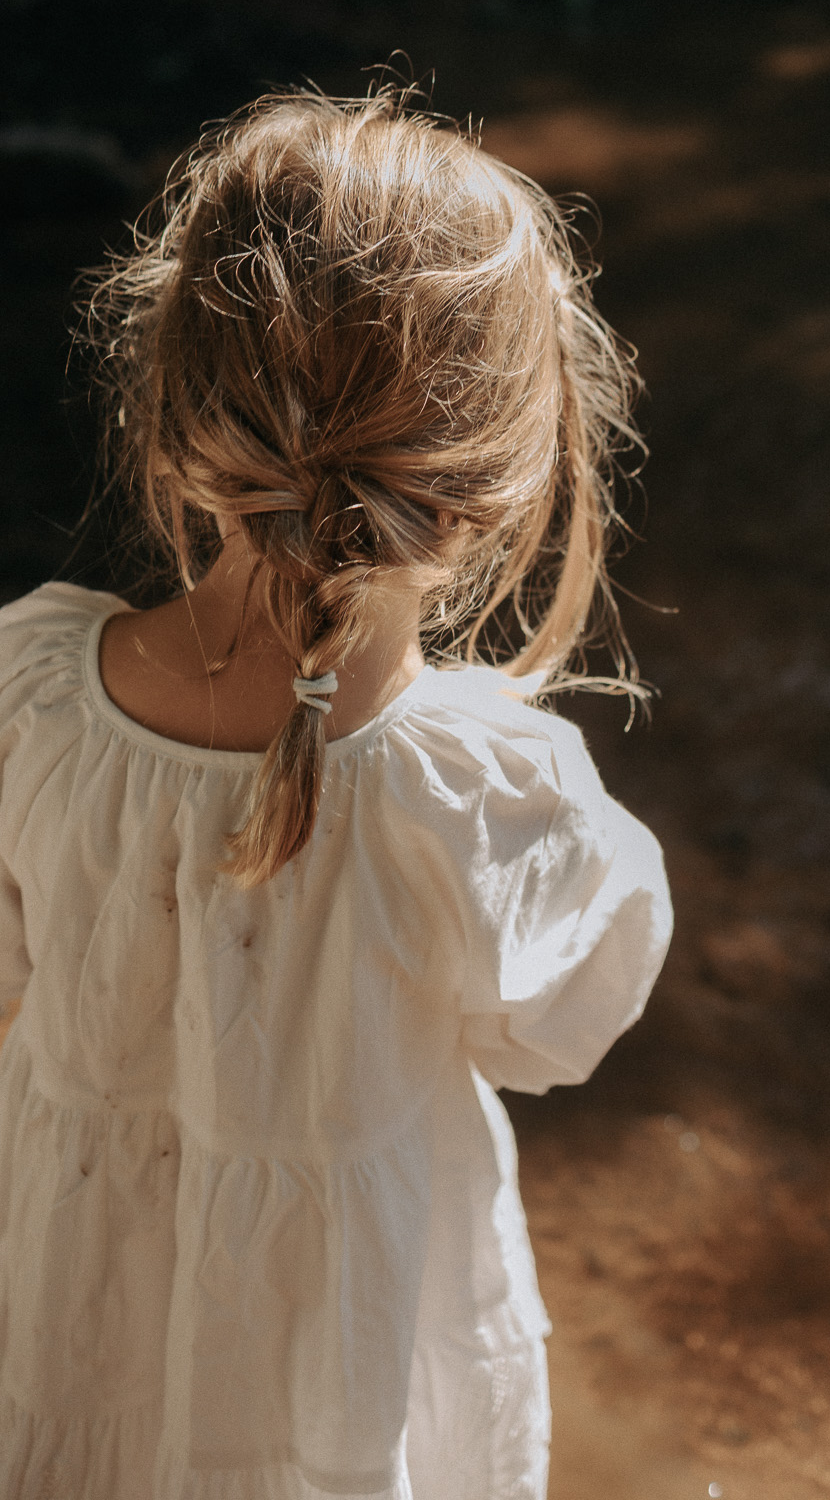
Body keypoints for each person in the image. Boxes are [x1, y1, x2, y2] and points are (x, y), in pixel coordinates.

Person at [0, 88, 673, 1498]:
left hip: (70, 1289)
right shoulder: (489, 791)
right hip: (346, 1351)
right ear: (489, 491)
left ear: (174, 413)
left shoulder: (27, 701)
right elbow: (560, 1033)